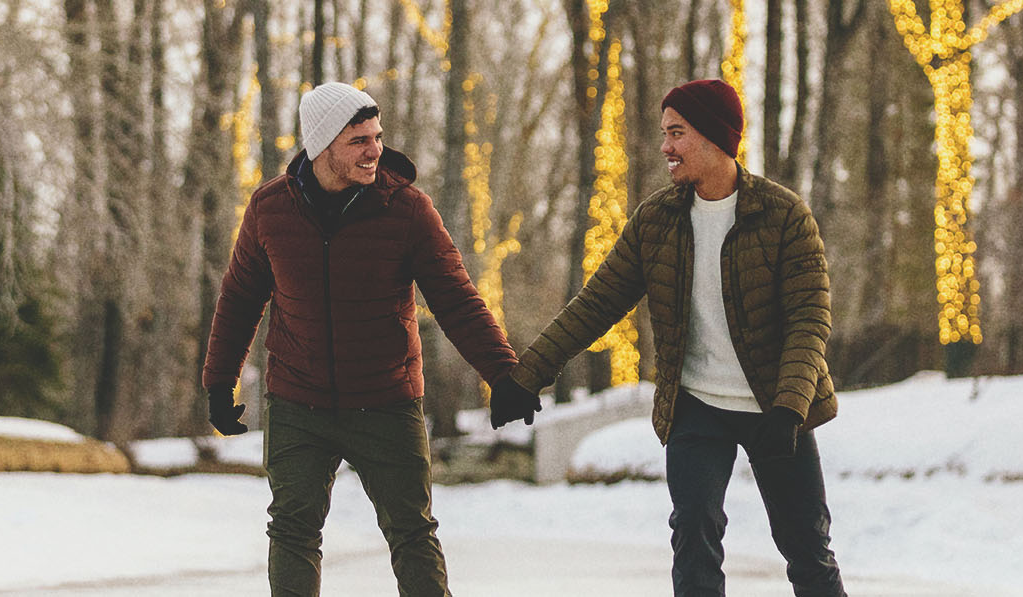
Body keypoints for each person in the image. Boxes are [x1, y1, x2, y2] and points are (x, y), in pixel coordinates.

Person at [489, 79, 845, 597]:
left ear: (714, 137)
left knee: (806, 548)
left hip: (776, 407)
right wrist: (527, 376)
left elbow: (810, 319)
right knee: (694, 545)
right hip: (696, 407)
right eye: (663, 134)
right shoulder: (657, 220)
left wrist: (790, 408)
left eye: (676, 133)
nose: (665, 148)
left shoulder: (784, 216)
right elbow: (597, 302)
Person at [201, 81, 523, 597]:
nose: (375, 150)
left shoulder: (407, 209)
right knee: (292, 530)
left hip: (386, 400)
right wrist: (220, 383)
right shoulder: (270, 209)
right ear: (322, 144)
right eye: (359, 140)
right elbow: (240, 297)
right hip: (298, 401)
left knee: (412, 532)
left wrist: (504, 374)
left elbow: (455, 296)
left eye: (377, 136)